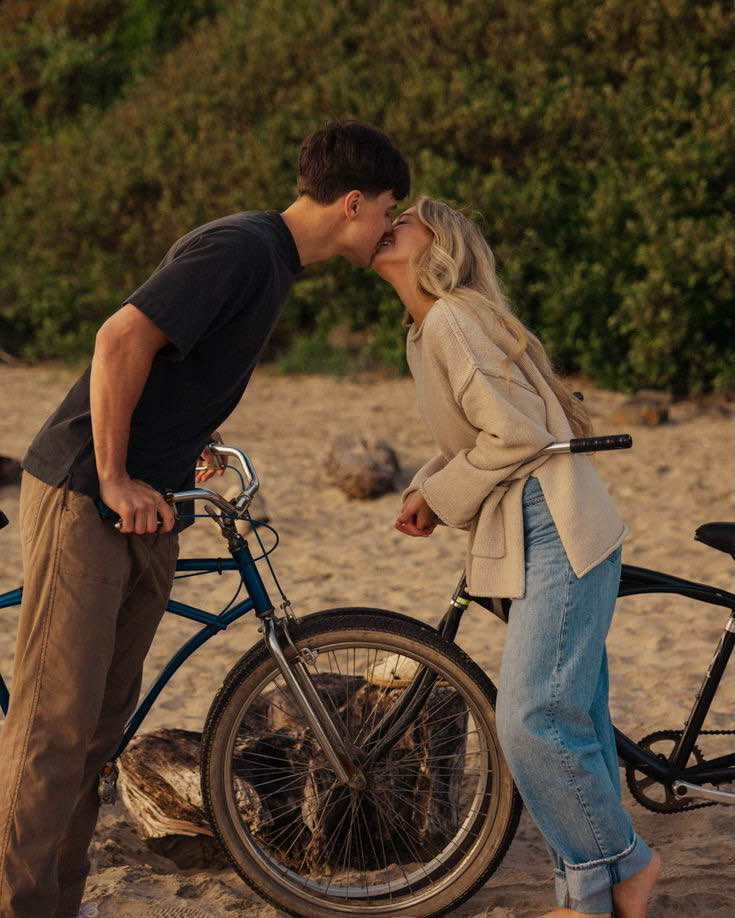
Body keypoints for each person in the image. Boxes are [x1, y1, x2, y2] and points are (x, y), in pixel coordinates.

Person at [0, 120, 409, 918]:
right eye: (388, 209)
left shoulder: (272, 262)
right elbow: (119, 338)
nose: (391, 226)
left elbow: (170, 362)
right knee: (53, 728)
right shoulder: (242, 249)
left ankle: (57, 902)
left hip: (153, 504)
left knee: (97, 733)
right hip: (90, 491)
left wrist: (194, 437)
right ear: (353, 203)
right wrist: (115, 474)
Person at [372, 196, 661, 918]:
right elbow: (478, 436)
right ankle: (590, 892)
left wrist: (441, 498)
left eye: (401, 218)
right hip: (540, 519)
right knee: (574, 720)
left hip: (552, 521)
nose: (387, 223)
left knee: (531, 719)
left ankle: (620, 867)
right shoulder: (428, 326)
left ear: (434, 242)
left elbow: (519, 438)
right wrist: (426, 488)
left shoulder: (451, 318)